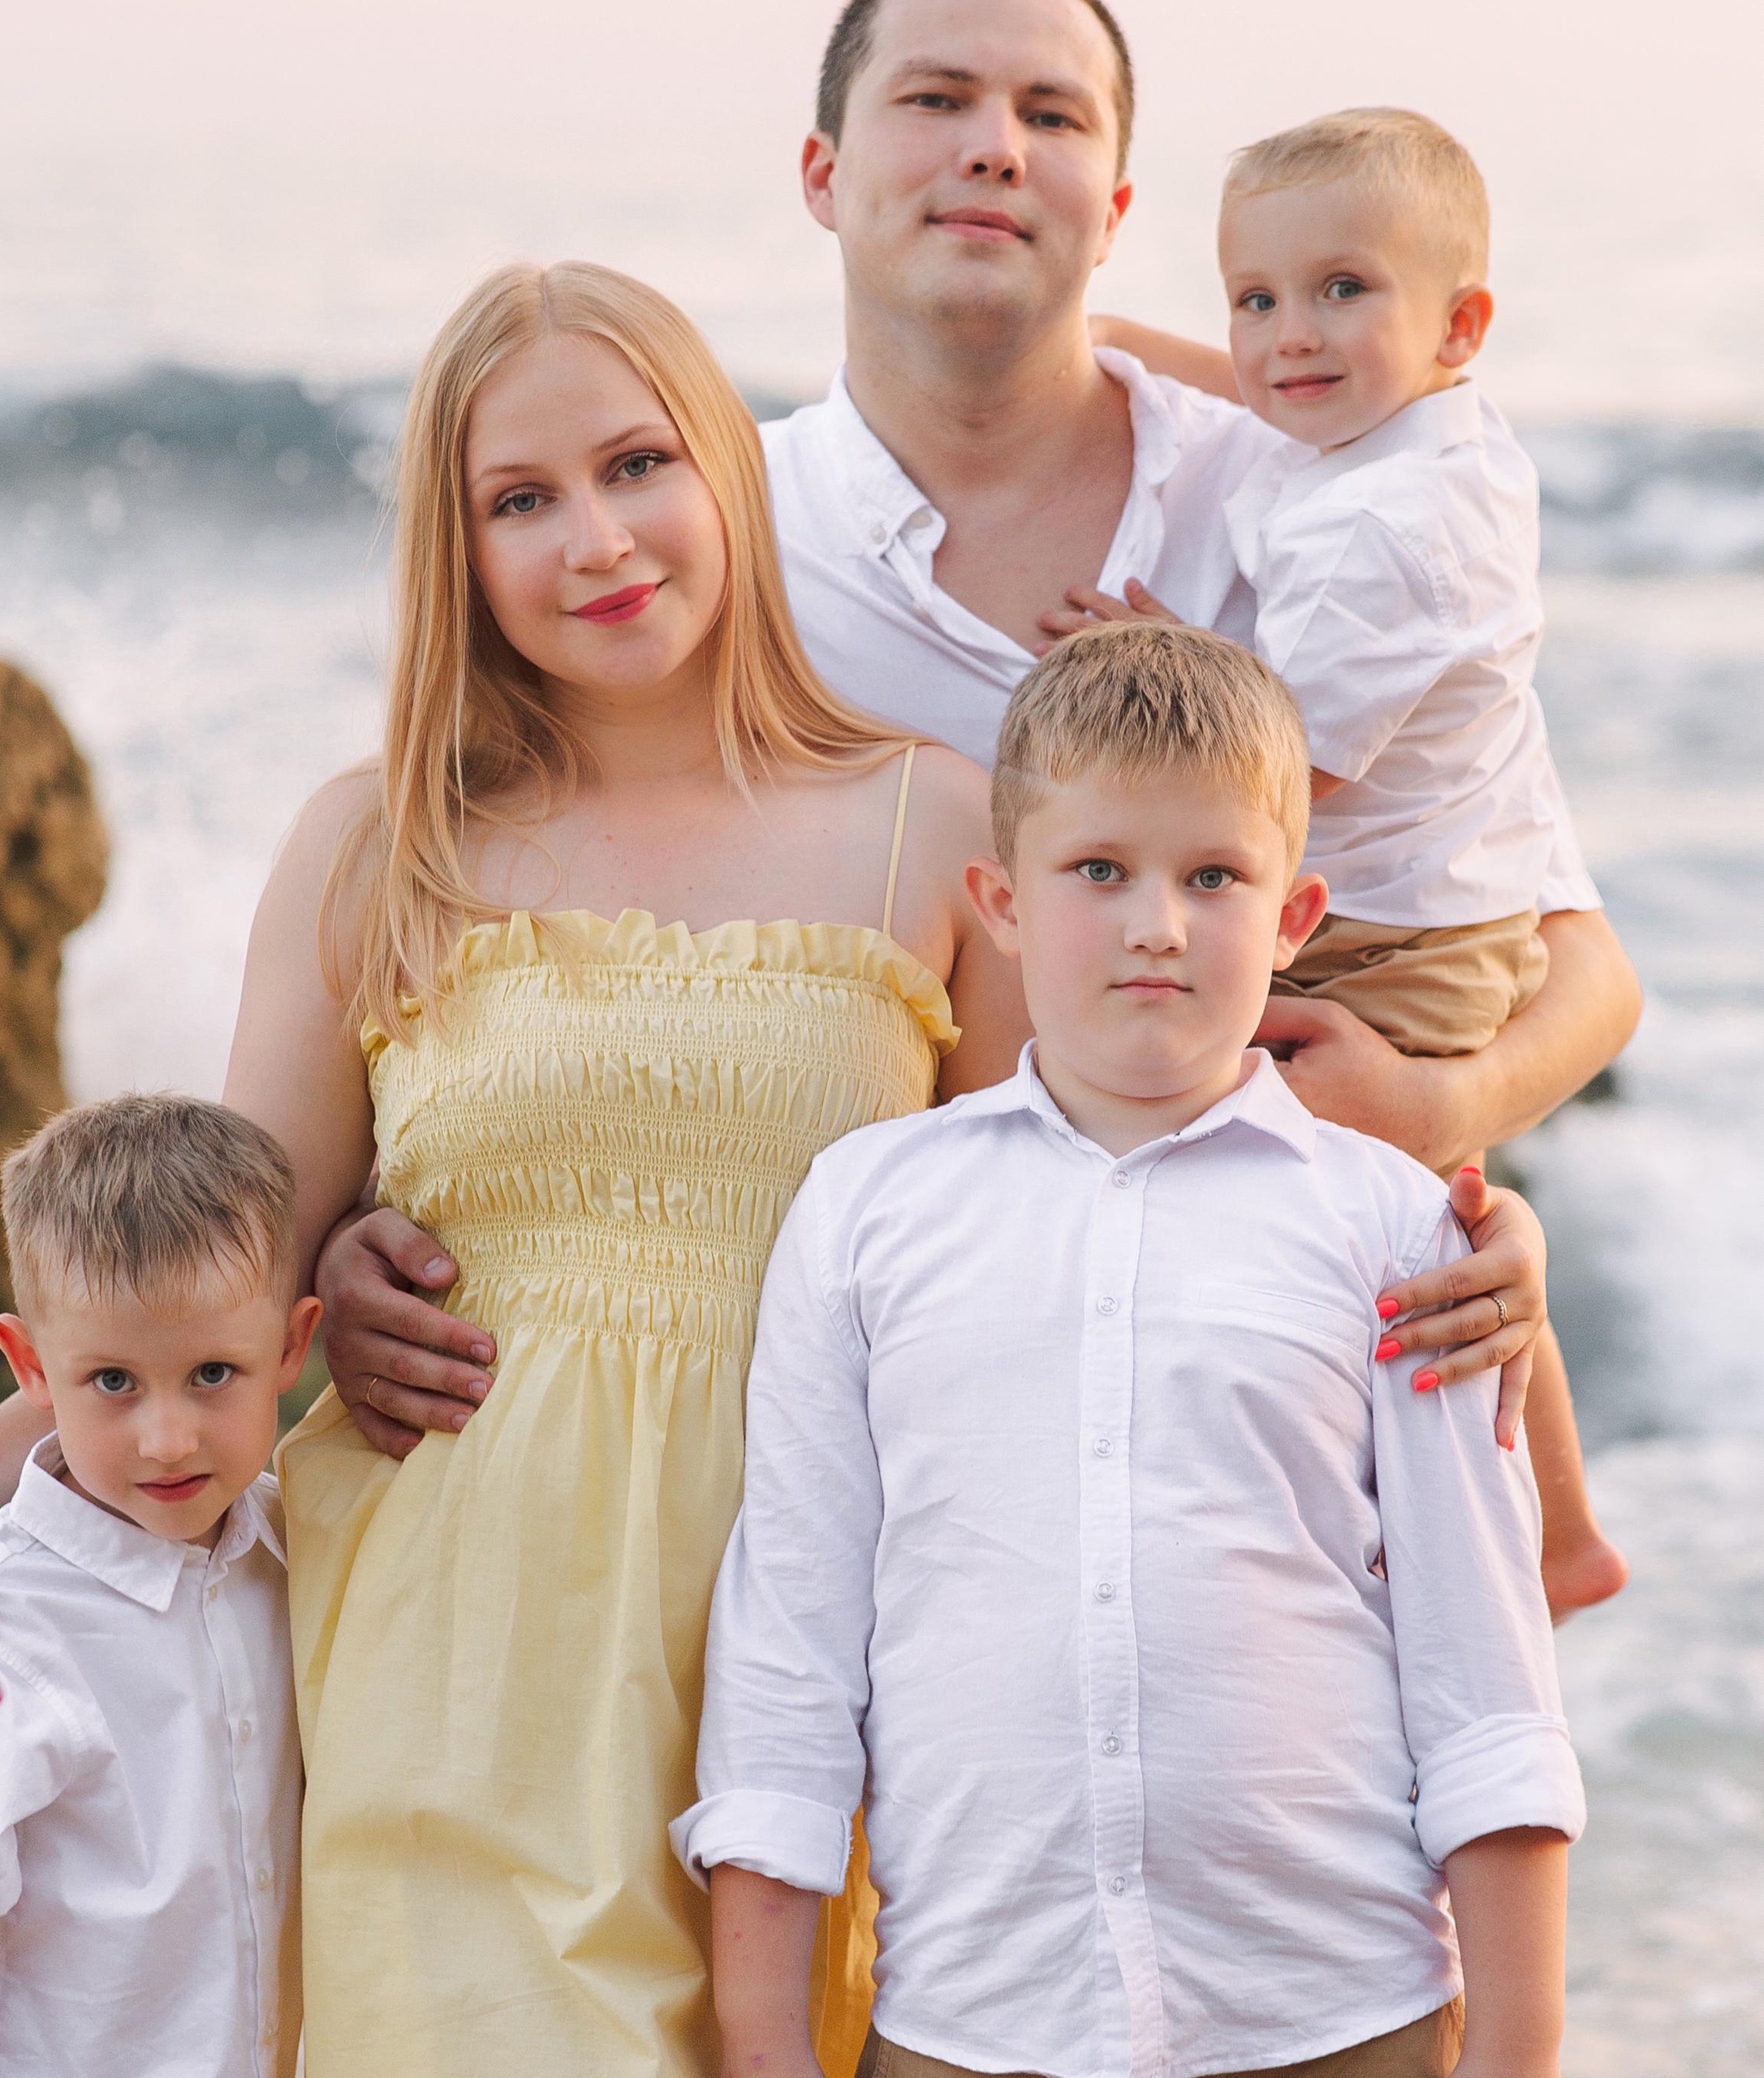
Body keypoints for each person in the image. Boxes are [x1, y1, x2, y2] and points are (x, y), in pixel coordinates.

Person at [291, 0, 1636, 1623]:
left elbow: (1570, 952)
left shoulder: (1311, 490)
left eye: (1052, 115)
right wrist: (365, 1232)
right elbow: (537, 902)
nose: (994, 143)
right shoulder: (712, 539)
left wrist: (1442, 1114)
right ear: (821, 170)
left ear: (1117, 207)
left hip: (1288, 1416)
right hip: (911, 1458)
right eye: (934, 97)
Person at [0, 259, 1036, 2078]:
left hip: (816, 1633)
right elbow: (209, 1281)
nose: (596, 536)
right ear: (457, 544)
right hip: (458, 1638)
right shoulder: (378, 842)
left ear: (728, 465)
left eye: (639, 461)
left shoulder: (938, 820)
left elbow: (1063, 1240)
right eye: (520, 498)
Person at [682, 623, 1585, 2078]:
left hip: (1340, 2014)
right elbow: (788, 1654)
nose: (1157, 923)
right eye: (1099, 871)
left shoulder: (1401, 1231)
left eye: (1213, 877)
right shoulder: (867, 1211)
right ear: (1004, 901)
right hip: (973, 2020)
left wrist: (1517, 2053)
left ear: (1295, 916)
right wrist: (769, 2043)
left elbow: (1484, 1675)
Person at [1076, 107, 1627, 1610]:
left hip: (1395, 935)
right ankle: (1542, 1535)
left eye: (1339, 293)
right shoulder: (1410, 427)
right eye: (1252, 299)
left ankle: (1547, 1538)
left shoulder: (1384, 529)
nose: (1283, 338)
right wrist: (1121, 340)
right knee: (1439, 1206)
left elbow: (1281, 782)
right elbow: (1267, 403)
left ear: (1461, 323)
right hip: (1440, 895)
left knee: (1431, 1237)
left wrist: (1159, 662)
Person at [0, 1093, 317, 2078]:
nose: (167, 1439)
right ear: (31, 1366)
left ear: (291, 1346)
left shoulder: (287, 1555)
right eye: (113, 1381)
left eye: (212, 1372)